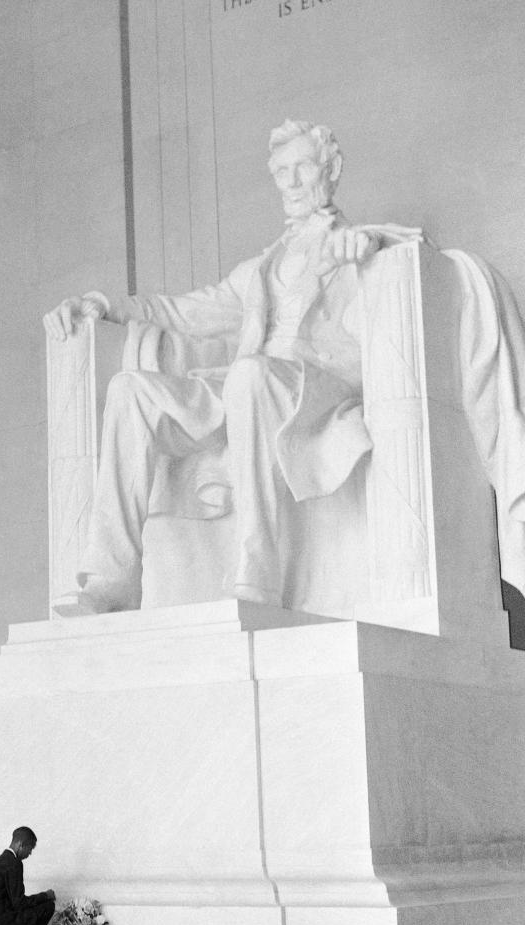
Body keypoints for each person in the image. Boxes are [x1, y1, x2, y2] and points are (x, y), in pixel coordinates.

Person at [44, 119, 422, 615]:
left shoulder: (358, 242)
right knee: (130, 390)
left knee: (250, 377)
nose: (289, 182)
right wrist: (105, 304)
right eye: (280, 171)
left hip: (317, 389)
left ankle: (258, 570)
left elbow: (418, 267)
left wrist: (368, 253)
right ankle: (113, 580)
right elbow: (186, 311)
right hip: (249, 387)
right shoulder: (261, 268)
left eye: (302, 167)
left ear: (331, 170)